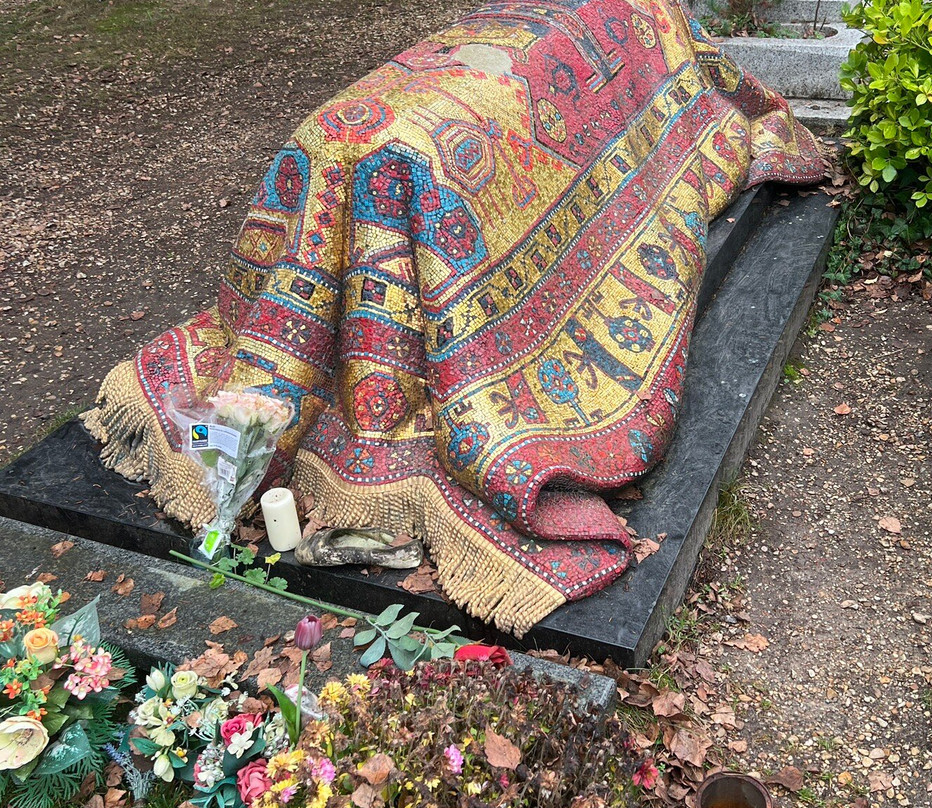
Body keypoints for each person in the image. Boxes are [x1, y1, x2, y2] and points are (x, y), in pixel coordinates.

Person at [84, 0, 826, 635]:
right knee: (369, 148)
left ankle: (292, 412)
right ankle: (293, 398)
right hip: (368, 145)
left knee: (406, 158)